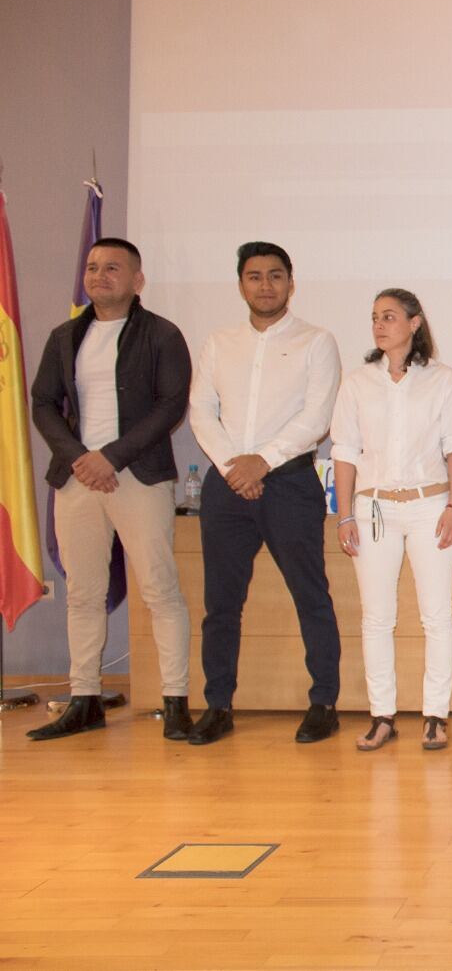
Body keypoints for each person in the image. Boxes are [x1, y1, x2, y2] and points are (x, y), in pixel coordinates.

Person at [28, 237, 194, 742]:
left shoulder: (162, 335)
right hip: (76, 479)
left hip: (138, 476)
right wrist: (81, 458)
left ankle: (177, 700)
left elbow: (171, 405)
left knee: (160, 589)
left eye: (113, 268)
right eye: (93, 267)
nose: (100, 275)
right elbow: (42, 403)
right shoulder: (64, 336)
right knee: (83, 593)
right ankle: (85, 700)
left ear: (137, 280)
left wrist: (111, 458)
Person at [187, 242, 342, 745]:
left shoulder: (316, 342)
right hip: (226, 484)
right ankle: (218, 705)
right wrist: (235, 467)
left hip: (291, 483)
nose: (266, 285)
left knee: (311, 595)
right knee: (221, 603)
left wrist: (263, 461)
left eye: (276, 276)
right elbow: (201, 412)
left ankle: (323, 702)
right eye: (255, 277)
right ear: (241, 285)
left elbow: (316, 417)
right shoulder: (218, 342)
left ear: (291, 283)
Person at [331, 289, 452, 751]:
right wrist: (343, 513)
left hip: (430, 506)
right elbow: (345, 453)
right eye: (374, 318)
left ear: (414, 322)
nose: (379, 325)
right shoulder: (356, 383)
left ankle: (435, 715)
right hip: (372, 509)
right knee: (376, 618)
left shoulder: (443, 379)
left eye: (389, 317)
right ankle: (382, 714)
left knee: (437, 616)